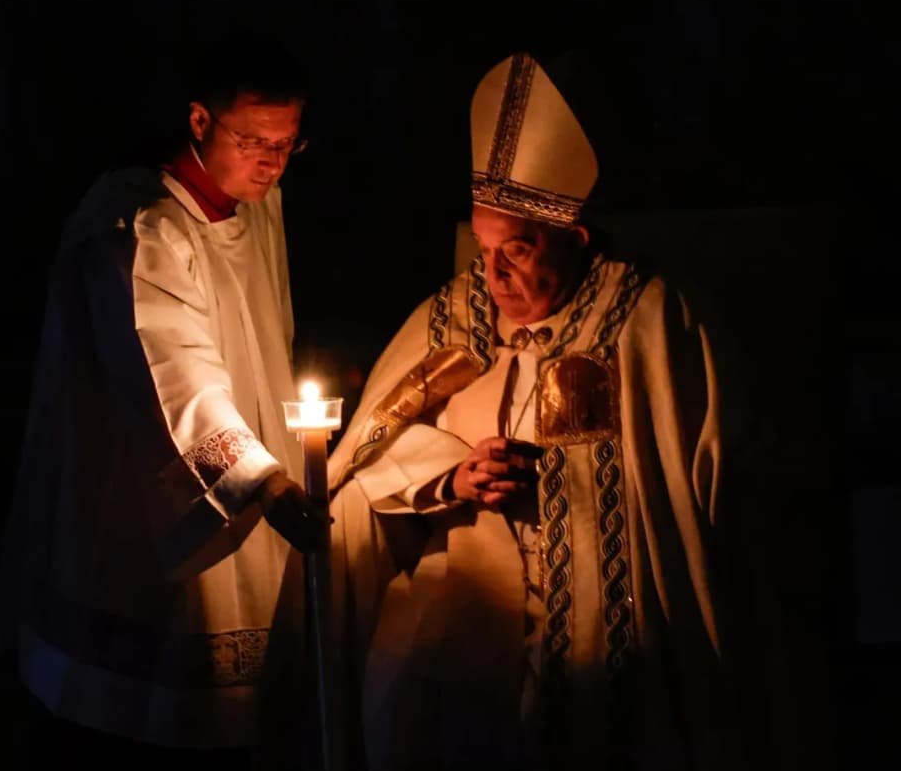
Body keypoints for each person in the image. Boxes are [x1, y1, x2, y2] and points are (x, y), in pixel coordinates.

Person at [316, 51, 750, 770]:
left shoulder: (645, 322)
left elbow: (710, 487)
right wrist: (450, 478)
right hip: (461, 644)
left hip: (607, 639)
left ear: (574, 240)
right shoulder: (450, 316)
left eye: (515, 251)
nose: (494, 276)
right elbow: (362, 462)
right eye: (484, 251)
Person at [0, 35, 324, 770]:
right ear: (200, 121)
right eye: (254, 141)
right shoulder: (140, 225)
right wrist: (261, 480)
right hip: (152, 493)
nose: (271, 162)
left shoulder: (257, 204)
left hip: (250, 461)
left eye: (288, 144)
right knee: (159, 704)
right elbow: (172, 373)